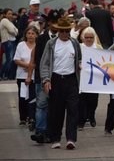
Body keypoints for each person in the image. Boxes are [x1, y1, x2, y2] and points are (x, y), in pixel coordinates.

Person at [40, 17, 82, 150]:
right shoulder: (51, 44)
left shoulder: (75, 43)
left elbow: (79, 59)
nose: (65, 34)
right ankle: (56, 139)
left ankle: (71, 139)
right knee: (56, 112)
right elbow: (45, 63)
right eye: (62, 31)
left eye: (67, 31)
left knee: (73, 110)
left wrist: (80, 65)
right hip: (56, 79)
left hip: (71, 80)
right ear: (58, 31)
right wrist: (46, 79)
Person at [29, 9, 60, 144]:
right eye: (52, 22)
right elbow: (37, 59)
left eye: (57, 22)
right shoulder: (41, 39)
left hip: (59, 77)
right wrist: (34, 76)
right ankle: (40, 131)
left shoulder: (64, 38)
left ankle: (51, 132)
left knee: (55, 106)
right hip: (42, 77)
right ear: (48, 23)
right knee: (41, 104)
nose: (55, 25)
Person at [78, 27, 102, 130]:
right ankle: (81, 121)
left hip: (94, 78)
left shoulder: (98, 47)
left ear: (94, 37)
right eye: (86, 37)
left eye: (91, 37)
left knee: (93, 100)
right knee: (81, 101)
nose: (88, 39)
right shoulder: (79, 47)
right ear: (83, 38)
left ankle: (91, 116)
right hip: (82, 78)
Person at [13, 26, 39, 127]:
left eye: (33, 33)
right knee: (23, 96)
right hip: (22, 75)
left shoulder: (38, 45)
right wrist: (29, 66)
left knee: (32, 97)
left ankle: (31, 116)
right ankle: (23, 118)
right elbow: (16, 60)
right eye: (29, 33)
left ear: (36, 35)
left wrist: (32, 68)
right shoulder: (21, 45)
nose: (31, 35)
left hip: (34, 76)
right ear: (25, 35)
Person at [0, 8, 18, 80]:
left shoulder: (10, 21)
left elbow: (16, 30)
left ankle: (7, 75)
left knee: (12, 59)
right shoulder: (5, 20)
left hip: (11, 41)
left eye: (11, 13)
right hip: (8, 41)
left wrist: (15, 31)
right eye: (9, 14)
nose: (11, 15)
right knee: (9, 60)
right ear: (4, 14)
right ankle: (2, 74)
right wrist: (15, 32)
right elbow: (13, 31)